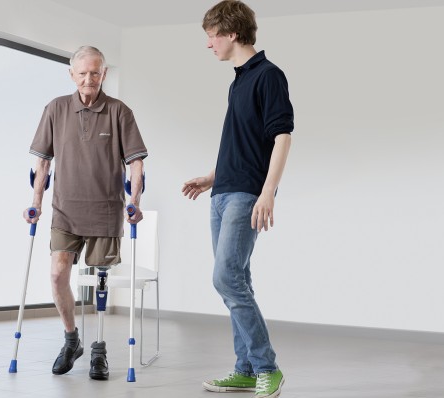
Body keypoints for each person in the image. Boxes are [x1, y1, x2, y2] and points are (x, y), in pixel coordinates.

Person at [182, 1, 294, 397]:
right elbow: (242, 141)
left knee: (225, 278)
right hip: (224, 191)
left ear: (230, 32)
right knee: (238, 281)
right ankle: (245, 370)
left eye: (211, 35)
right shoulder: (238, 81)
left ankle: (267, 367)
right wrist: (212, 177)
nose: (208, 44)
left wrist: (267, 193)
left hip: (247, 195)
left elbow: (282, 137)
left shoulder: (268, 76)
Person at [24, 45, 148, 381]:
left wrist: (135, 199)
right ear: (72, 74)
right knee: (56, 274)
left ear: (104, 74)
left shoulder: (120, 112)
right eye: (82, 73)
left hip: (106, 211)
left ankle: (99, 351)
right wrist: (35, 201)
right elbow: (42, 163)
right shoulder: (56, 109)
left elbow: (135, 162)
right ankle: (71, 340)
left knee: (100, 281)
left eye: (95, 73)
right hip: (64, 209)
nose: (88, 79)